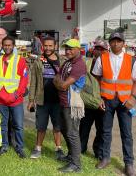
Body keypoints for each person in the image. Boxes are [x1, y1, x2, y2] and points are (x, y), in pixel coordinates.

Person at [92, 32, 136, 176]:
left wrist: (133, 98)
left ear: (123, 43)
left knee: (126, 133)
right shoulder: (102, 58)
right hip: (106, 100)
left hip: (125, 102)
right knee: (105, 131)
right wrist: (98, 98)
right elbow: (96, 79)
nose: (115, 44)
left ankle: (129, 163)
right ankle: (105, 158)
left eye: (118, 41)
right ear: (109, 43)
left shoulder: (131, 60)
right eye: (113, 41)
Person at [27, 36, 66, 159]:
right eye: (46, 46)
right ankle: (38, 148)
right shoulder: (40, 60)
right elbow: (33, 81)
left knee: (57, 126)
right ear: (43, 46)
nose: (48, 48)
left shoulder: (62, 61)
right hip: (42, 100)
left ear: (55, 46)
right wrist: (31, 100)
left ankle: (58, 148)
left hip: (58, 100)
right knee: (41, 126)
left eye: (51, 45)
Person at [0, 36, 29, 158]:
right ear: (2, 46)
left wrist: (17, 94)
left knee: (18, 125)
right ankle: (4, 145)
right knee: (3, 124)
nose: (7, 47)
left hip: (15, 99)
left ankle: (19, 147)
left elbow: (24, 79)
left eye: (9, 45)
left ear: (13, 46)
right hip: (1, 99)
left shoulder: (20, 60)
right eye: (5, 45)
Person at [53, 38, 87, 173]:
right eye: (66, 48)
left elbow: (63, 84)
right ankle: (71, 156)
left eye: (71, 49)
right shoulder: (67, 62)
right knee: (64, 130)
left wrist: (60, 83)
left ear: (79, 49)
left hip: (71, 104)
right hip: (63, 101)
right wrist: (59, 83)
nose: (68, 51)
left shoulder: (79, 65)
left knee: (72, 133)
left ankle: (76, 164)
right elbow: (56, 79)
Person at [79, 38, 108, 159]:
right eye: (97, 49)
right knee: (84, 127)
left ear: (107, 51)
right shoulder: (87, 62)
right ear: (93, 50)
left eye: (102, 49)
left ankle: (99, 152)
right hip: (88, 102)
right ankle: (80, 149)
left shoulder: (109, 65)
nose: (99, 51)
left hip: (103, 103)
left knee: (101, 129)